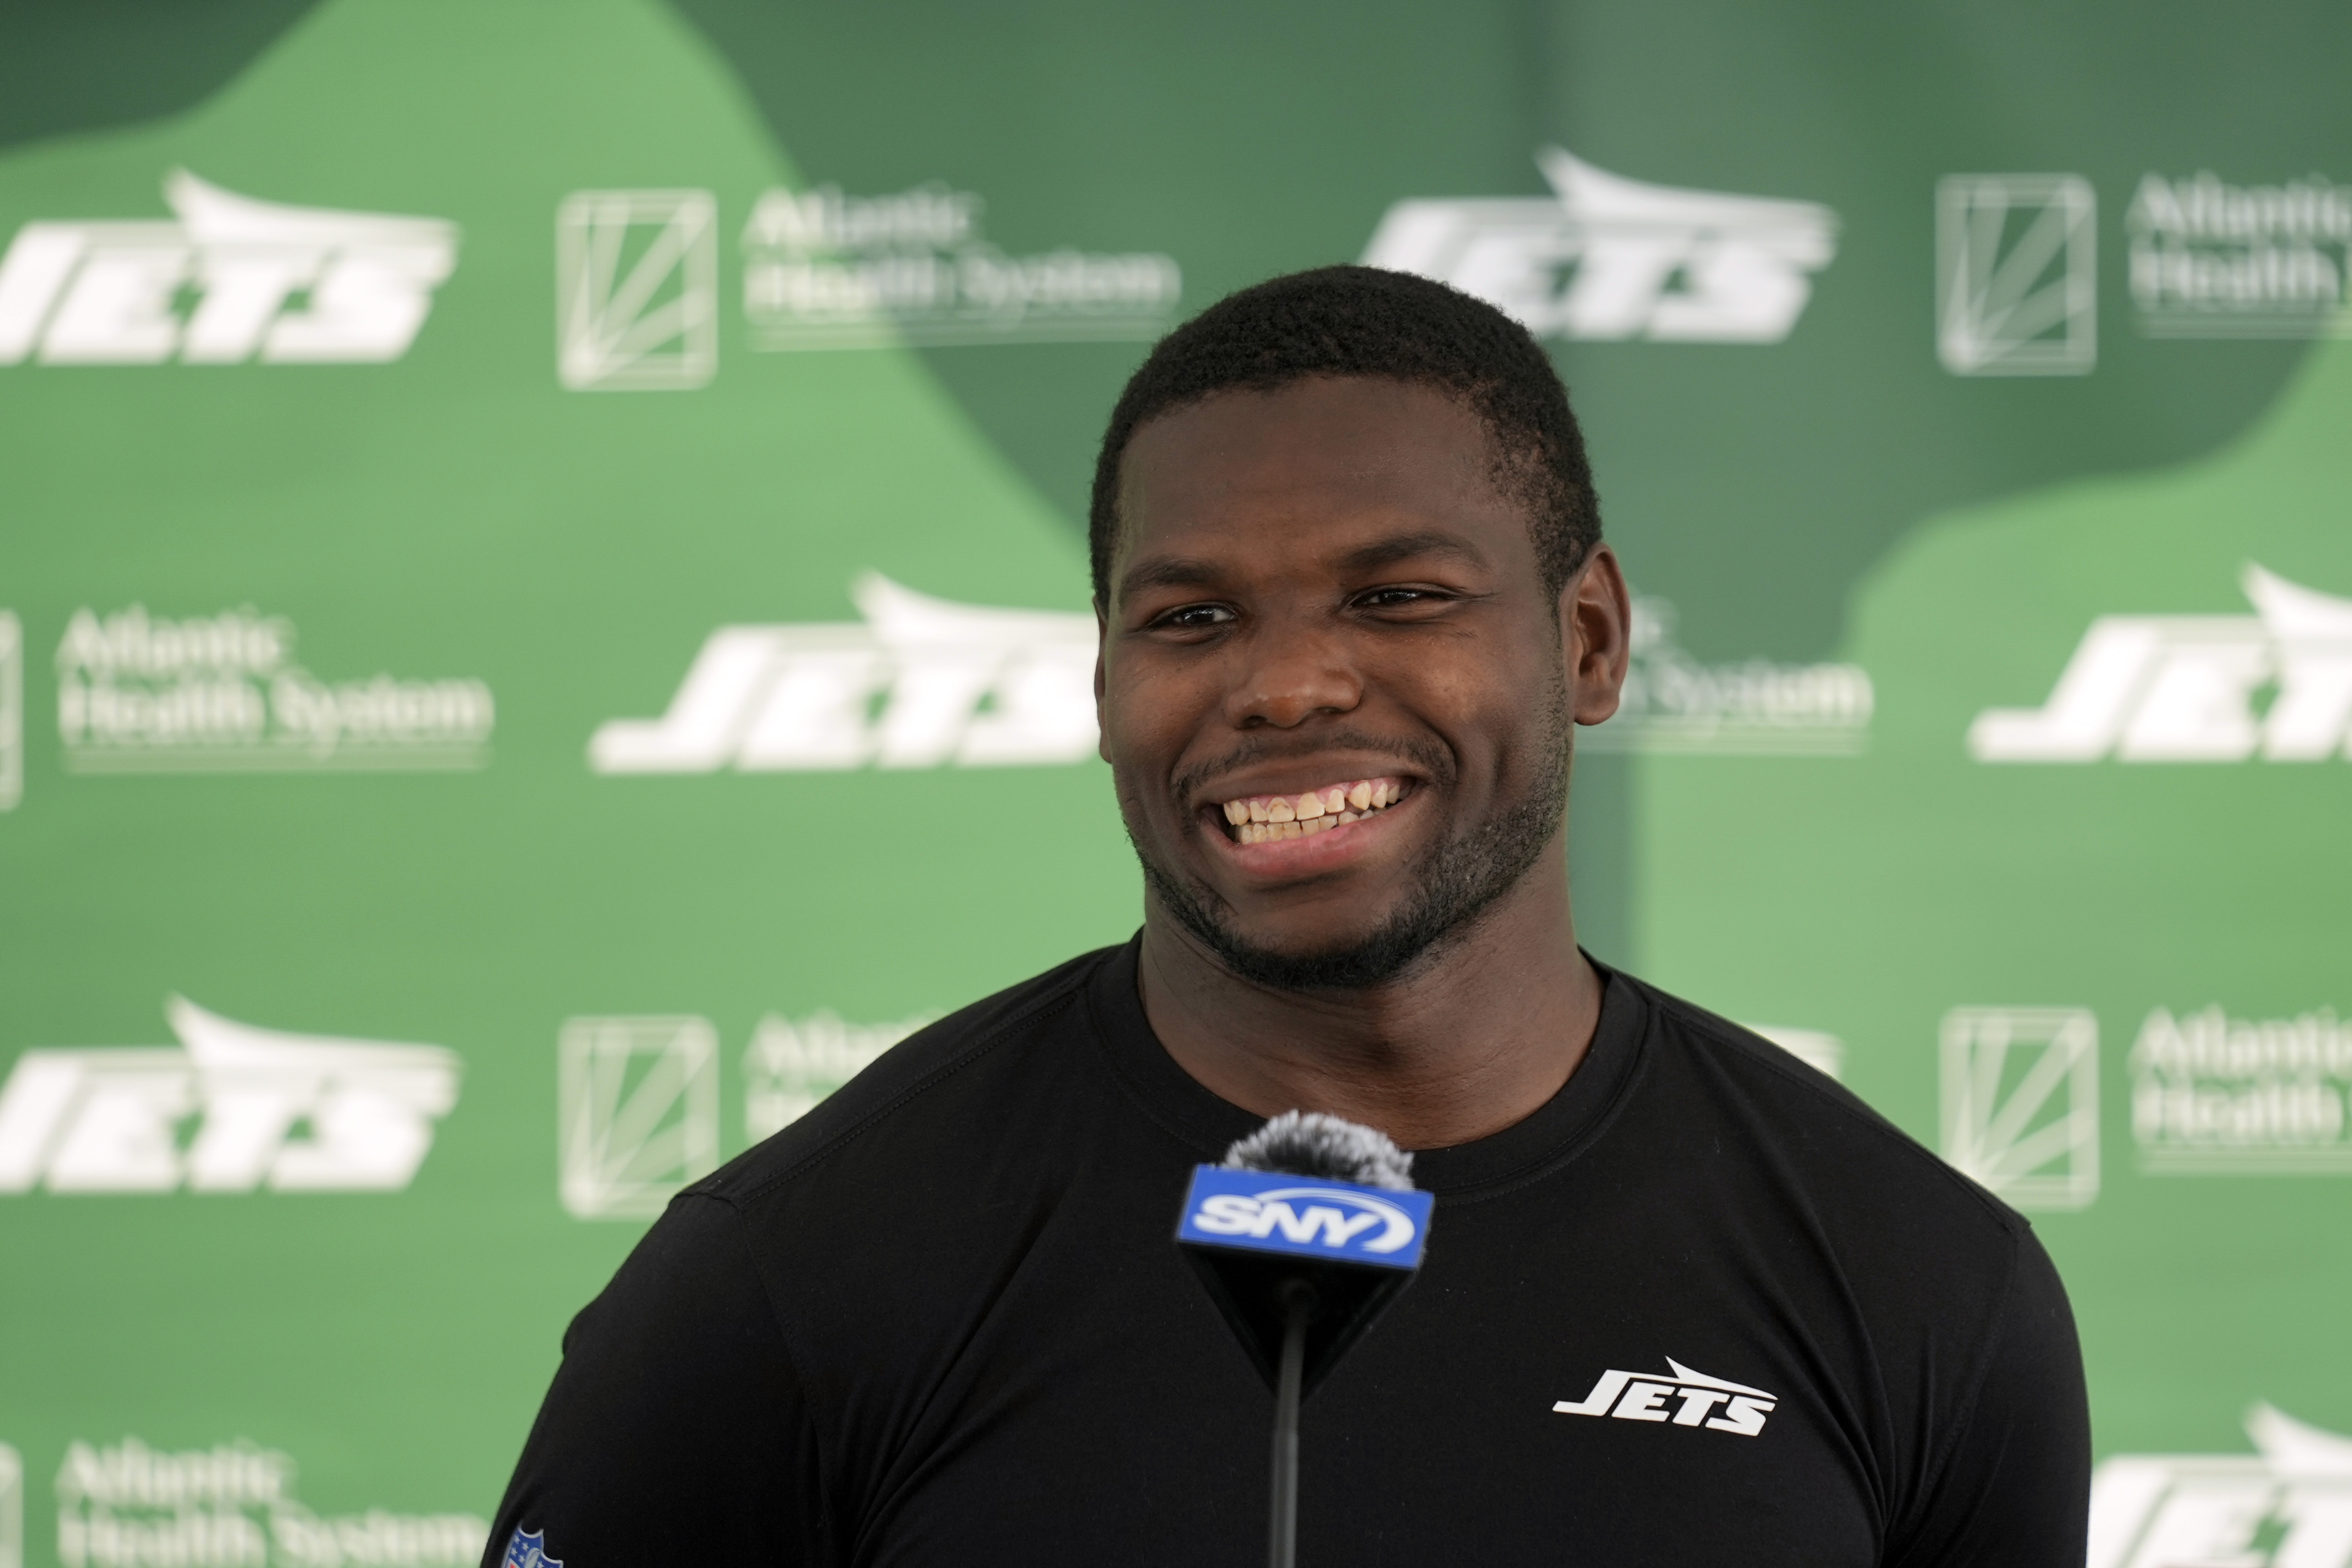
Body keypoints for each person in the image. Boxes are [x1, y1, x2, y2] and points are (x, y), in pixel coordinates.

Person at [485, 266, 2089, 1566]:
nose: (1284, 684)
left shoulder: (1922, 1285)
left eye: (1396, 596)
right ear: (1105, 686)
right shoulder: (794, 1278)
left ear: (1587, 639)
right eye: (1190, 618)